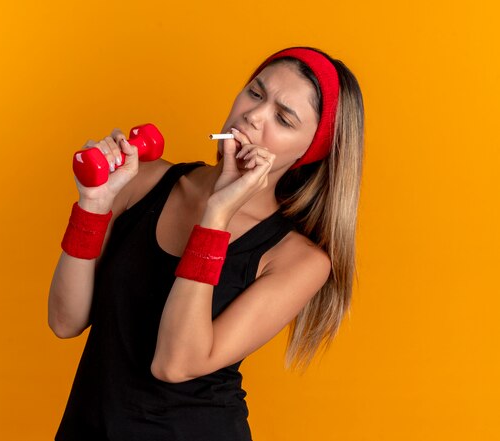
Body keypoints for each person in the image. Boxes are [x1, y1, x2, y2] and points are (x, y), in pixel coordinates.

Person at [48, 46, 365, 441]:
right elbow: (65, 321)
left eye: (283, 118)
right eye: (255, 93)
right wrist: (92, 206)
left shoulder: (299, 260)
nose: (254, 115)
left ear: (307, 153)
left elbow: (174, 364)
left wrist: (217, 216)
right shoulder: (145, 180)